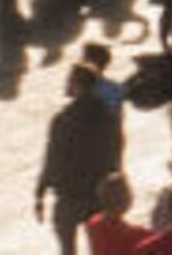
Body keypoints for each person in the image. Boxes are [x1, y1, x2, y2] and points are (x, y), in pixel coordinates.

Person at [37, 59, 128, 255]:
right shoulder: (110, 117)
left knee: (67, 248)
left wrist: (40, 191)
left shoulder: (63, 119)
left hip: (69, 194)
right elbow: (117, 152)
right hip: (98, 194)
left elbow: (53, 158)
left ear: (78, 85)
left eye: (69, 81)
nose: (66, 85)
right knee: (100, 246)